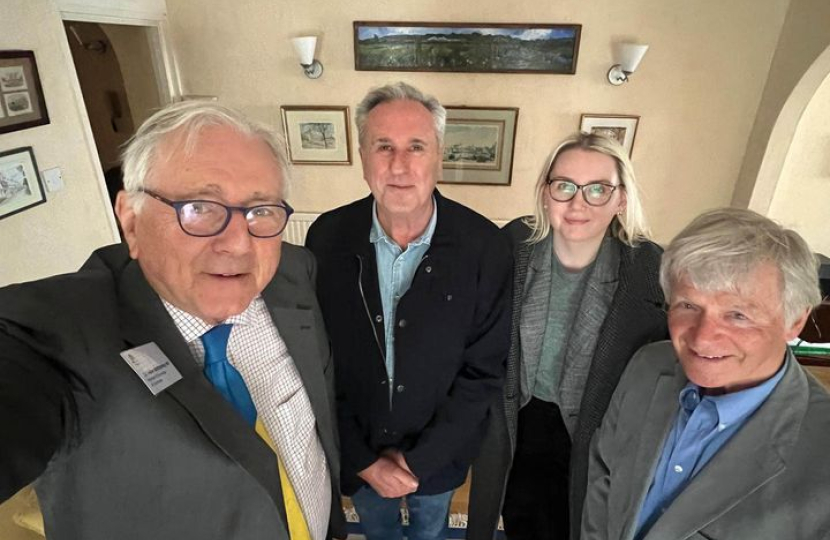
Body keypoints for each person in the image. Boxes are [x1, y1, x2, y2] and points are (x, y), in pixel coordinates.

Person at [0, 101, 345, 540]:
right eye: (200, 208)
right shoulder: (59, 332)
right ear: (131, 220)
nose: (238, 244)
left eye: (260, 211)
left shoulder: (294, 271)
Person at [305, 82, 512, 540]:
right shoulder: (326, 238)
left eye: (416, 146)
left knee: (430, 531)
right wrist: (362, 460)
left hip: (439, 459)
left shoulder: (486, 247)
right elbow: (317, 363)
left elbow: (484, 372)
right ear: (362, 155)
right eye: (383, 146)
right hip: (358, 454)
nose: (399, 165)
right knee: (377, 532)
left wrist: (418, 463)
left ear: (439, 155)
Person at [581, 208, 830, 540]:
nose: (701, 337)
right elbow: (604, 476)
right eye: (688, 306)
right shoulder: (647, 365)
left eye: (737, 314)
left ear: (794, 322)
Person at [468, 132, 668, 540]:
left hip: (596, 434)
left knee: (578, 524)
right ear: (545, 193)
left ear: (621, 199)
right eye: (564, 186)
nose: (578, 203)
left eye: (598, 189)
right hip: (517, 423)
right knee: (519, 518)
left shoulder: (648, 268)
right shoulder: (513, 245)